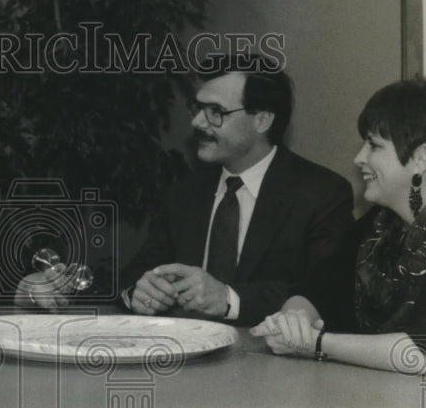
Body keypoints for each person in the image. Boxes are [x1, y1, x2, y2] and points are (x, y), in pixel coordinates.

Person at [250, 78, 426, 407]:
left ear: (421, 158)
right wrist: (292, 319)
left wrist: (316, 343)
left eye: (374, 145)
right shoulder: (378, 225)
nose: (359, 157)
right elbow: (314, 290)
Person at [114, 55, 354, 325]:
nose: (197, 123)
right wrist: (139, 292)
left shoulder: (321, 194)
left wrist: (229, 299)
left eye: (216, 112)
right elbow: (134, 275)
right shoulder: (185, 193)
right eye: (197, 108)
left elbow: (326, 293)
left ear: (262, 120)